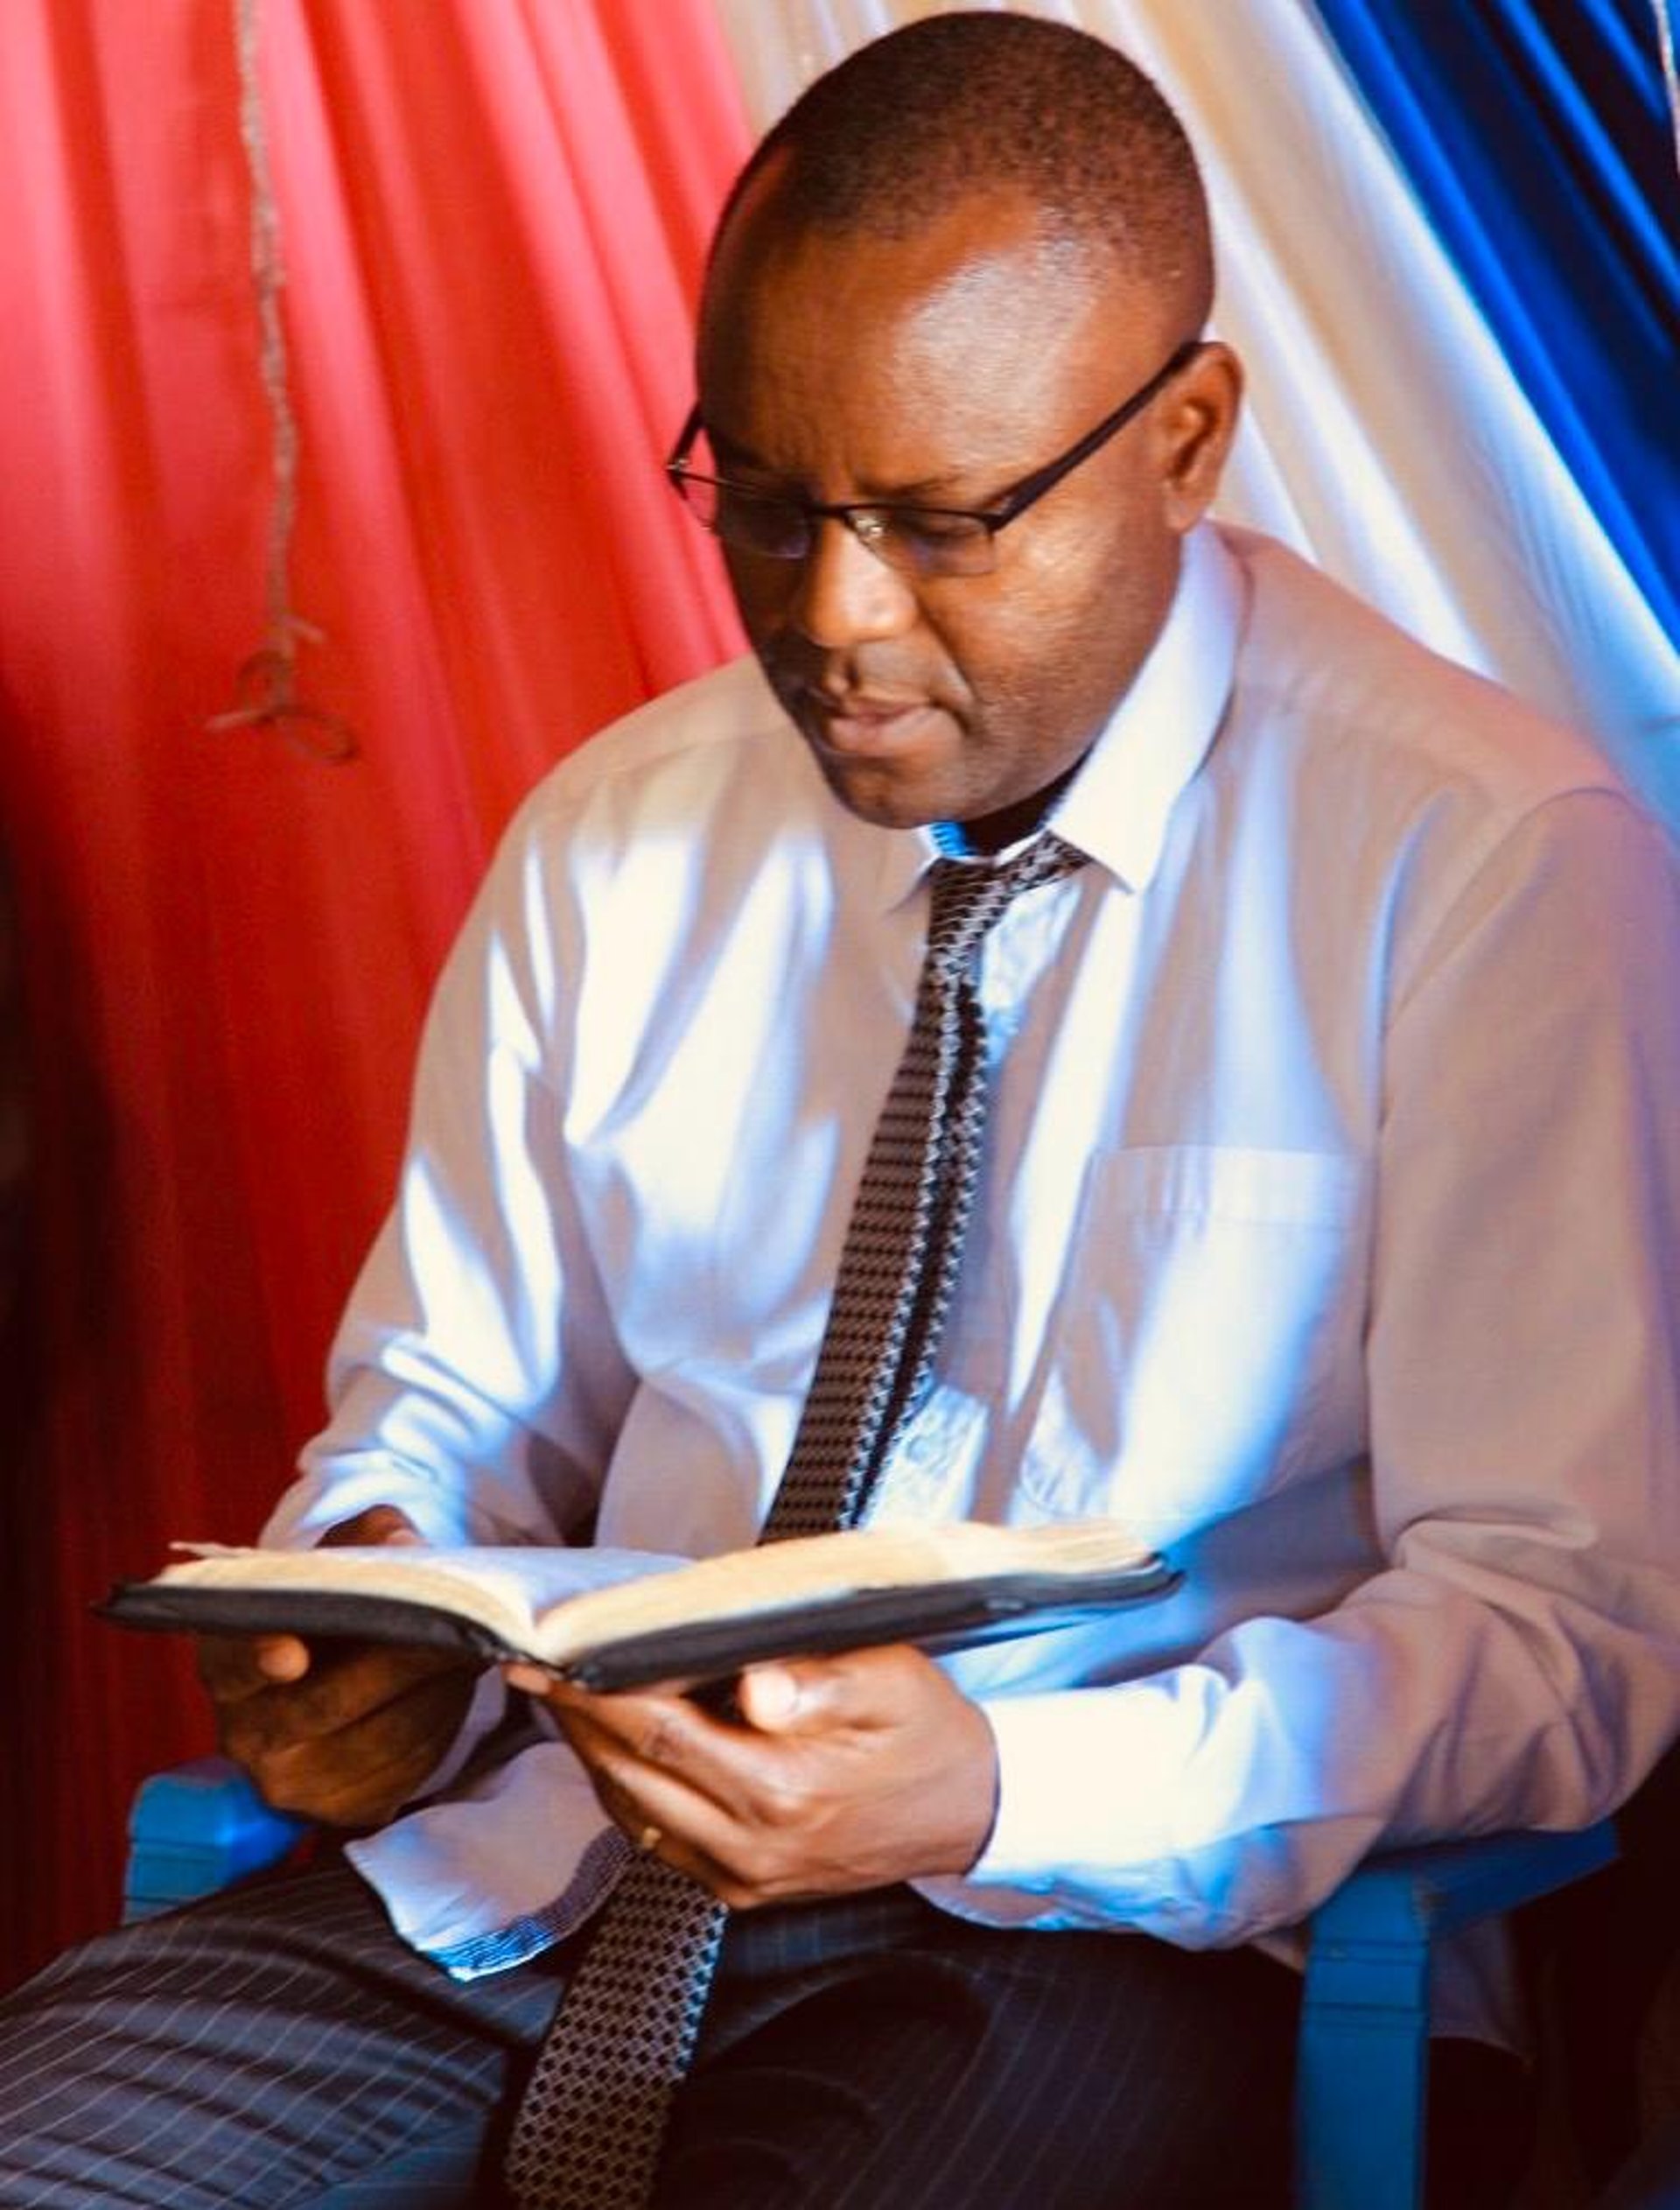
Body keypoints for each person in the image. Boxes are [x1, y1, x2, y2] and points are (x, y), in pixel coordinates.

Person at [4, 12, 1680, 2206]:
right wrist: (371, 1613)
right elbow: (444, 1414)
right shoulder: (616, 836)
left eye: (942, 521)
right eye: (771, 504)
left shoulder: (1480, 862)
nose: (838, 619)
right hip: (531, 1876)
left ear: (1187, 439)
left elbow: (1566, 1631)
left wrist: (994, 1788)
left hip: (1116, 1936)